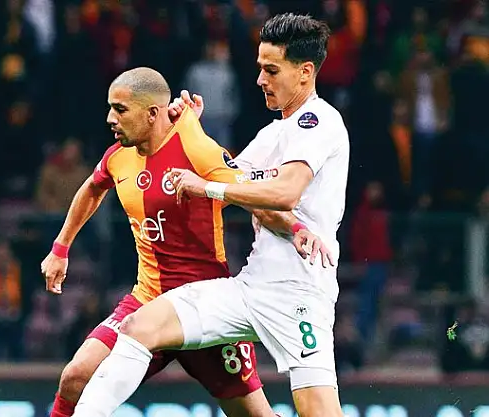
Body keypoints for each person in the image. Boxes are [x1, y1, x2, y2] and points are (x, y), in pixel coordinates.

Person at [72, 14, 348, 417]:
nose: (260, 80)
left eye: (271, 71)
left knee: (318, 412)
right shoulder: (272, 134)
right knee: (140, 327)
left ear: (305, 72)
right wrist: (187, 129)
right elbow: (224, 175)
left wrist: (208, 188)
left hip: (301, 295)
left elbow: (283, 193)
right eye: (260, 68)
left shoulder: (319, 122)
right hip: (250, 288)